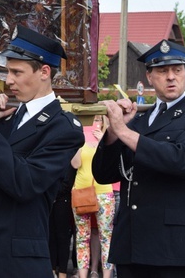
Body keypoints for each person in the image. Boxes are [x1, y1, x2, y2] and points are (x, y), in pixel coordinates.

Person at [0, 26, 85, 278]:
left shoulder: (62, 128)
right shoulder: (4, 119)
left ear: (44, 72)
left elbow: (24, 183)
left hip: (16, 262)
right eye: (7, 71)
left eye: (16, 72)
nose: (8, 80)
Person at [92, 39, 185, 278]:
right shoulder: (139, 120)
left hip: (176, 248)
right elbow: (104, 174)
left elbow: (182, 160)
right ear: (149, 78)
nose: (171, 77)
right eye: (162, 71)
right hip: (133, 245)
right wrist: (113, 131)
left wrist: (124, 131)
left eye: (177, 70)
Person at [72, 118, 114, 278]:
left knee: (106, 237)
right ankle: (83, 275)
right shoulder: (79, 134)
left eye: (98, 118)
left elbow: (112, 163)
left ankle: (107, 275)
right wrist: (77, 144)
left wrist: (101, 143)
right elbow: (75, 164)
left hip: (103, 191)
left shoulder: (108, 136)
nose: (94, 121)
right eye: (91, 118)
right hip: (81, 191)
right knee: (82, 236)